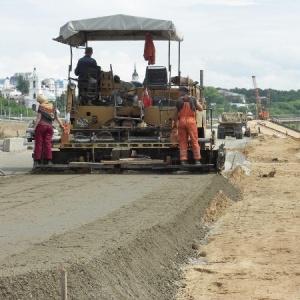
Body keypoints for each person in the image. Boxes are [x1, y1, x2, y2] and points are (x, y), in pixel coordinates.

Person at [173, 86, 203, 165]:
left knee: (183, 141)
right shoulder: (193, 99)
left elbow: (175, 114)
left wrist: (175, 124)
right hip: (191, 122)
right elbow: (201, 109)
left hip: (182, 121)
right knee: (194, 140)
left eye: (180, 91)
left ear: (182, 92)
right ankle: (197, 160)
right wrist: (197, 103)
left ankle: (183, 160)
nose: (179, 93)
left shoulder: (179, 100)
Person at [33, 94, 65, 165]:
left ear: (40, 101)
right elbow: (57, 117)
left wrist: (34, 128)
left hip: (41, 127)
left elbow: (38, 118)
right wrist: (61, 125)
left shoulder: (41, 106)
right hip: (49, 127)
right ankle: (48, 161)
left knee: (39, 144)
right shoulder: (52, 106)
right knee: (48, 144)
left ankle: (37, 161)